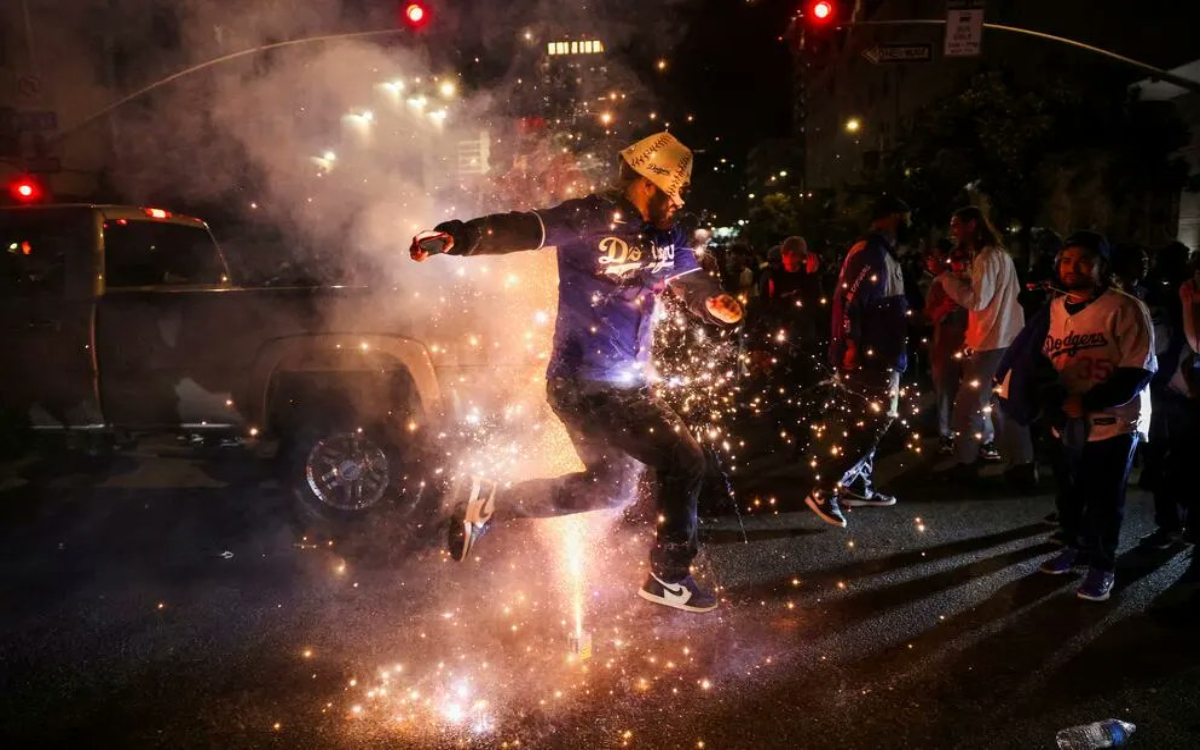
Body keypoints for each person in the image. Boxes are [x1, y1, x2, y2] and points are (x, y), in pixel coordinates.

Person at [409, 132, 743, 613]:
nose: (680, 200)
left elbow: (693, 283)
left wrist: (714, 304)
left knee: (611, 488)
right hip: (587, 383)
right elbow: (526, 229)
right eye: (676, 190)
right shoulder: (591, 216)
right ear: (650, 182)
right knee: (685, 460)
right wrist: (458, 237)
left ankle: (488, 504)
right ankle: (669, 577)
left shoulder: (669, 235)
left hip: (617, 384)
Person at [1037, 232, 1156, 602]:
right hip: (1068, 421)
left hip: (1114, 421)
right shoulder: (1056, 308)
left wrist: (1090, 401)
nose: (1073, 267)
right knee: (1070, 494)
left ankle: (1102, 565)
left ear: (1103, 267)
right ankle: (1075, 547)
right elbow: (1043, 361)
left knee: (1105, 499)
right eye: (1067, 259)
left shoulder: (1125, 307)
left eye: (1084, 260)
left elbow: (1139, 368)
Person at [803, 195, 911, 527]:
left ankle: (859, 486)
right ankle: (826, 488)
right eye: (906, 216)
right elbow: (850, 300)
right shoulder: (870, 252)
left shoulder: (883, 253)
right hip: (871, 355)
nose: (910, 223)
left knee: (864, 420)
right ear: (892, 216)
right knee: (878, 418)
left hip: (883, 351)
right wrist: (850, 343)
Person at [938, 206, 1036, 488]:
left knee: (968, 405)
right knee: (1003, 404)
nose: (953, 231)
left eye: (957, 225)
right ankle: (1021, 465)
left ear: (972, 225)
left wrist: (946, 278)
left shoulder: (988, 257)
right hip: (1004, 338)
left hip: (994, 341)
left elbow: (977, 301)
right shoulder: (996, 256)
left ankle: (966, 463)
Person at [1139, 242, 1199, 549]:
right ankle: (1170, 524)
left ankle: (1181, 523)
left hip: (1184, 390)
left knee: (1181, 461)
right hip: (1164, 388)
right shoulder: (1155, 298)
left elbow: (1194, 343)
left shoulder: (1187, 302)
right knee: (1162, 461)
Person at [924, 243, 995, 455]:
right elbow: (927, 317)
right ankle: (947, 435)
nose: (962, 266)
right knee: (945, 392)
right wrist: (943, 309)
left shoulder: (979, 285)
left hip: (974, 346)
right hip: (945, 346)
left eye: (967, 261)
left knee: (979, 392)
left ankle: (985, 438)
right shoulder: (940, 284)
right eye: (957, 260)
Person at [756, 235, 824, 350]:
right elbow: (765, 303)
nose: (791, 260)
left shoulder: (806, 275)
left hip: (803, 329)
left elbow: (814, 302)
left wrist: (811, 276)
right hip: (779, 328)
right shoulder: (774, 275)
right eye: (787, 255)